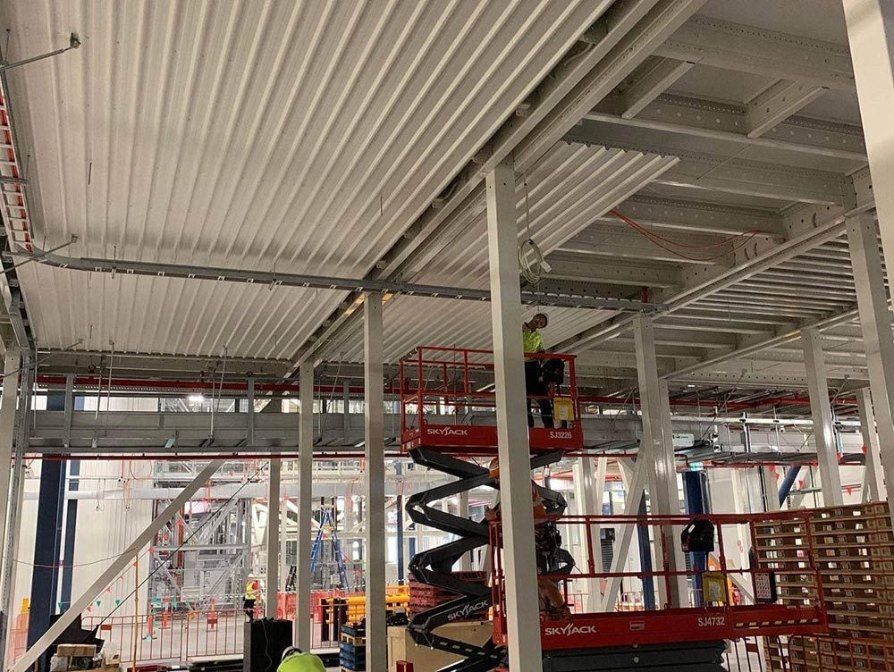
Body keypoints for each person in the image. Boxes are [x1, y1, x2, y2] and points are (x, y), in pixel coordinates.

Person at [484, 459, 572, 620]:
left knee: (540, 580)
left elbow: (516, 514)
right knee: (535, 580)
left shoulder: (519, 486)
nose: (496, 481)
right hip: (532, 536)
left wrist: (494, 518)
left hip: (537, 537)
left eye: (497, 477)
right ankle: (548, 612)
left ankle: (562, 611)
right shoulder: (517, 486)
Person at [523, 313, 553, 428]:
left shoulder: (538, 336)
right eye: (539, 319)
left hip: (534, 368)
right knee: (526, 401)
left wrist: (541, 355)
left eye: (542, 323)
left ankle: (549, 428)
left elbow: (541, 350)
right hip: (521, 367)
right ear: (535, 316)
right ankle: (529, 429)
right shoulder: (518, 330)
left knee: (544, 400)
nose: (539, 322)